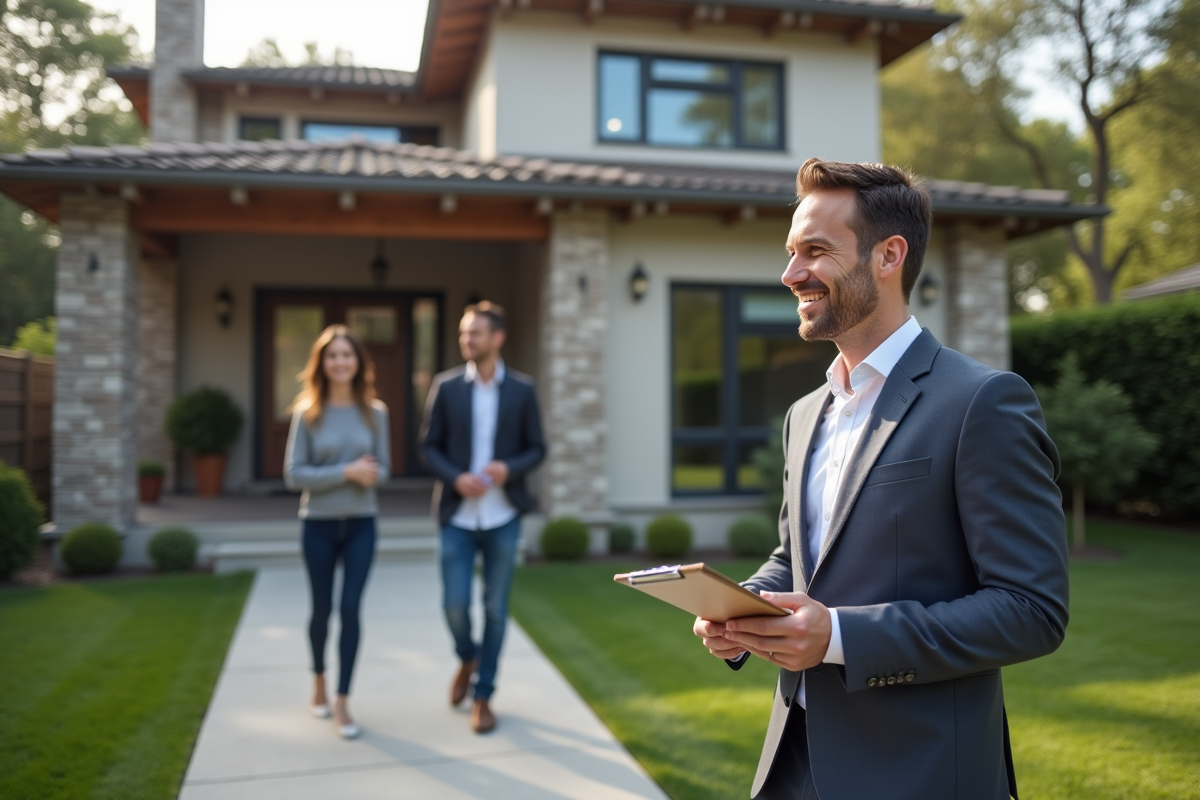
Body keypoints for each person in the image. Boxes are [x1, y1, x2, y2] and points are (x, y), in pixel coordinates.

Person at [693, 159, 1069, 800]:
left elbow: (1031, 611)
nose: (791, 275)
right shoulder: (804, 414)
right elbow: (798, 558)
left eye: (815, 251)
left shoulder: (983, 402)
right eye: (790, 253)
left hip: (919, 771)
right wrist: (738, 608)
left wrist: (838, 636)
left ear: (889, 255)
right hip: (794, 763)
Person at [418, 301, 545, 734]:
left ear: (497, 338)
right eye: (463, 333)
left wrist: (509, 468)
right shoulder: (446, 386)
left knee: (495, 608)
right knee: (453, 604)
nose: (466, 340)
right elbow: (428, 446)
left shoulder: (523, 390)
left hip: (503, 515)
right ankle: (467, 657)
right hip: (457, 515)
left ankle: (484, 694)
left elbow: (537, 448)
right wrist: (456, 478)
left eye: (474, 333)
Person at [284, 324, 390, 740]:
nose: (340, 362)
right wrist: (348, 471)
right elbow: (294, 475)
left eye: (347, 355)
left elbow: (384, 472)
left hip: (363, 522)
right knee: (321, 610)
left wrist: (369, 475)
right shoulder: (307, 412)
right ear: (322, 364)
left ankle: (343, 699)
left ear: (358, 363)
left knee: (350, 609)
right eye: (332, 356)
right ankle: (318, 681)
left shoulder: (375, 412)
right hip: (318, 525)